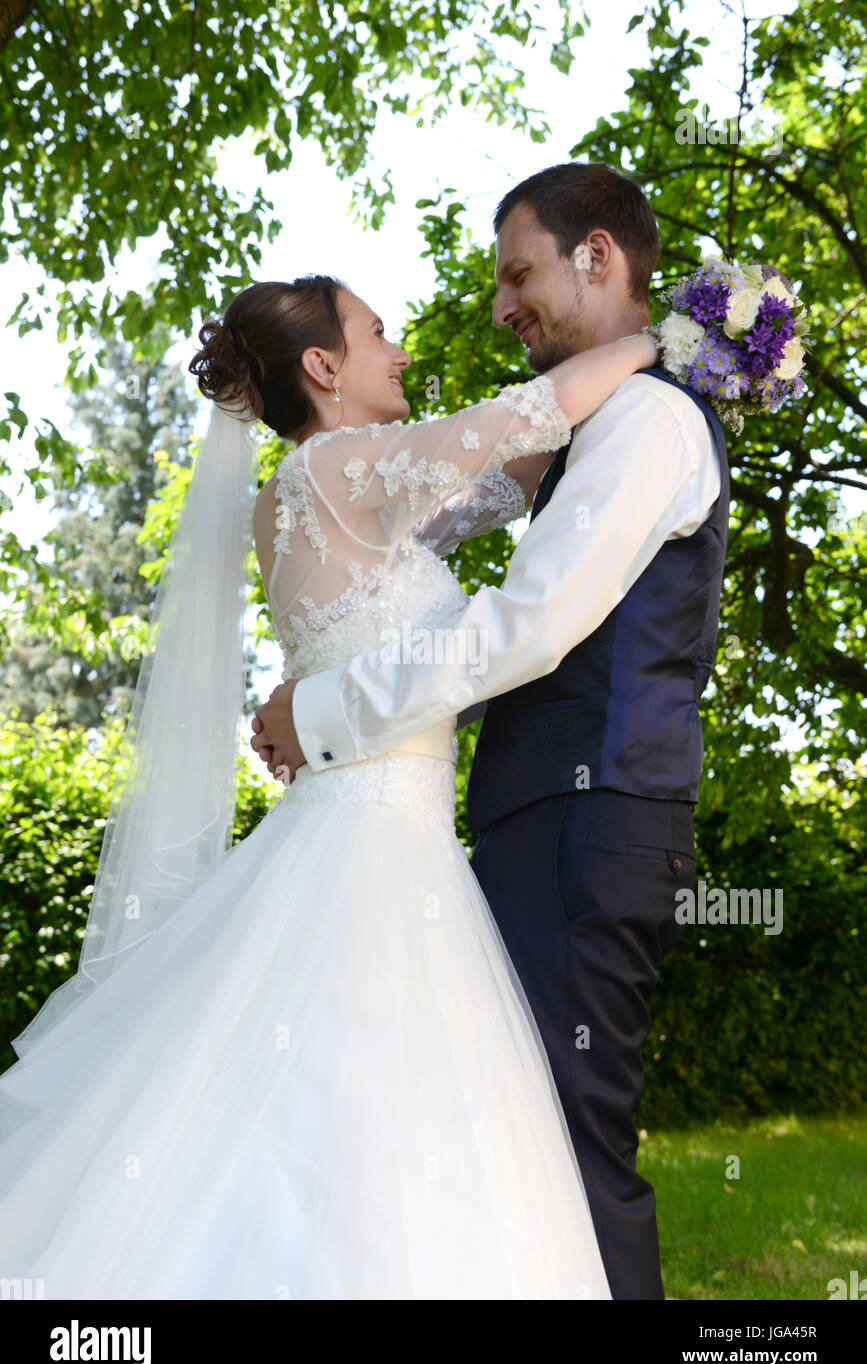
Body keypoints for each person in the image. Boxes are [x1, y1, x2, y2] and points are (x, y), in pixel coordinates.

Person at [0, 269, 657, 1299]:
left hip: (362, 830)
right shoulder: (342, 464)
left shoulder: (314, 495)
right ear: (323, 366)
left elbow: (505, 480)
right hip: (380, 853)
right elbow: (509, 423)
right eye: (379, 333)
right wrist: (657, 343)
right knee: (378, 1124)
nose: (400, 352)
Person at [252, 163, 731, 1301]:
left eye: (519, 274)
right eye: (379, 334)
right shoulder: (573, 425)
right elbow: (487, 474)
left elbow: (525, 632)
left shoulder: (651, 418)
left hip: (584, 822)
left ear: (598, 257)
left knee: (567, 1158)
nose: (498, 306)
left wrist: (314, 711)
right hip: (508, 828)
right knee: (496, 1156)